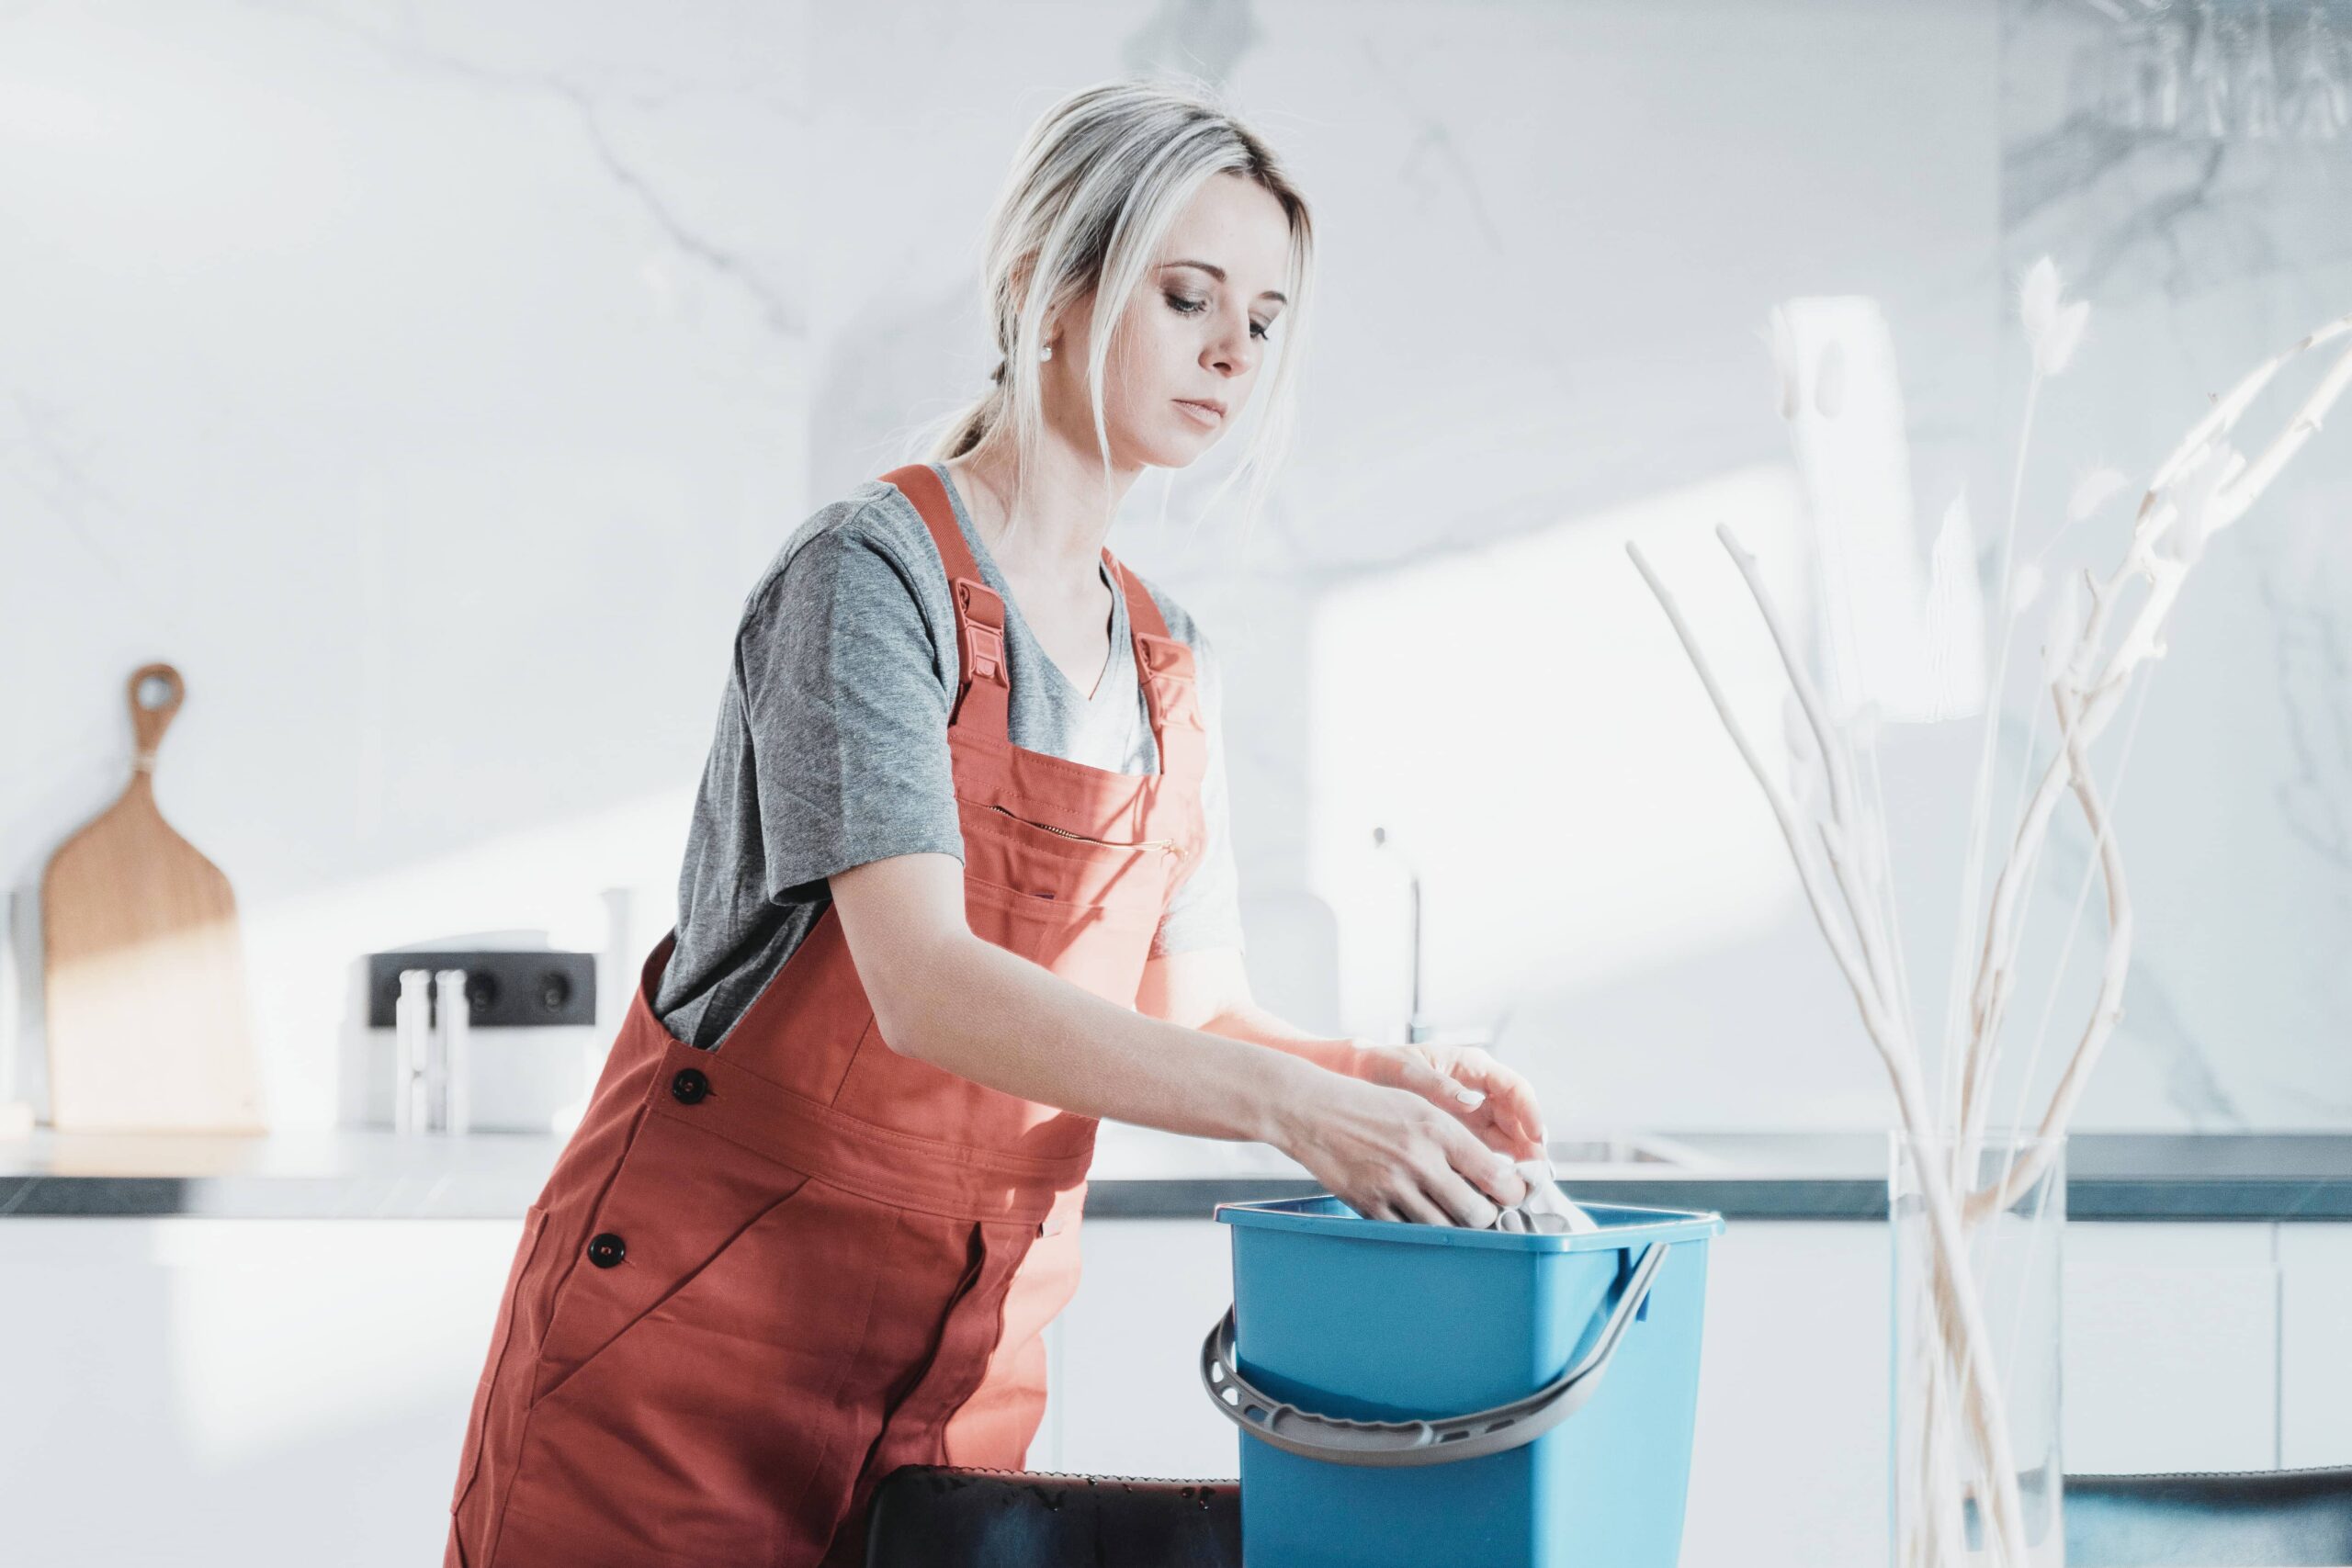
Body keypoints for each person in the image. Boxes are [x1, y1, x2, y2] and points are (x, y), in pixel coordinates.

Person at [444, 75, 1548, 1568]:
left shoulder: (1171, 667)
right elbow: (927, 986)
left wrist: (1388, 1091)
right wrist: (1303, 1118)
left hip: (951, 1389)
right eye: (1187, 294)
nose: (1233, 351)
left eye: (1266, 319)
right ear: (1044, 284)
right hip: (682, 1362)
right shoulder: (866, 580)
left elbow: (1203, 1010)